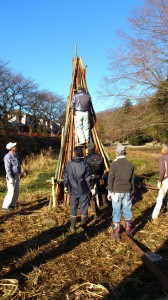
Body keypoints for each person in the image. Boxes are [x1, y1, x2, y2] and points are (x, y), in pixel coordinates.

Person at [63, 146, 93, 233]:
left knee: (73, 208)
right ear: (82, 153)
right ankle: (83, 227)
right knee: (84, 207)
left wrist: (65, 186)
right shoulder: (85, 164)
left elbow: (65, 177)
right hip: (84, 190)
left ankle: (72, 227)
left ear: (74, 153)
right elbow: (88, 178)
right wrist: (91, 187)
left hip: (72, 190)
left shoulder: (69, 164)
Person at [107, 145, 134, 241]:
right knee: (127, 211)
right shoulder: (130, 165)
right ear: (125, 153)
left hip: (116, 192)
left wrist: (109, 192)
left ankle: (116, 233)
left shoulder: (114, 165)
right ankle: (128, 231)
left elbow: (110, 179)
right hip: (127, 191)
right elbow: (132, 180)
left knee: (116, 212)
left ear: (117, 153)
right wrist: (132, 191)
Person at [84, 143, 106, 217]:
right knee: (101, 190)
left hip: (90, 178)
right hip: (99, 177)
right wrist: (99, 174)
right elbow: (103, 168)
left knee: (92, 194)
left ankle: (95, 210)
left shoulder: (86, 158)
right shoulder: (100, 157)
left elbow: (85, 169)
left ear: (88, 148)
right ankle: (105, 203)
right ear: (95, 148)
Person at [2, 142, 22, 212]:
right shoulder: (7, 157)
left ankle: (12, 205)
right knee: (10, 191)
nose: (15, 146)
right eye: (14, 146)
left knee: (16, 190)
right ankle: (5, 206)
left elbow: (19, 164)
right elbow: (7, 168)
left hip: (17, 175)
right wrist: (10, 178)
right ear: (11, 148)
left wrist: (20, 173)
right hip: (11, 176)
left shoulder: (16, 154)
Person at [151, 144, 168, 220]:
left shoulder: (162, 158)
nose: (161, 150)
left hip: (165, 180)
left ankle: (154, 216)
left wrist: (160, 181)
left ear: (164, 150)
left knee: (160, 198)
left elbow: (162, 171)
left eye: (162, 149)